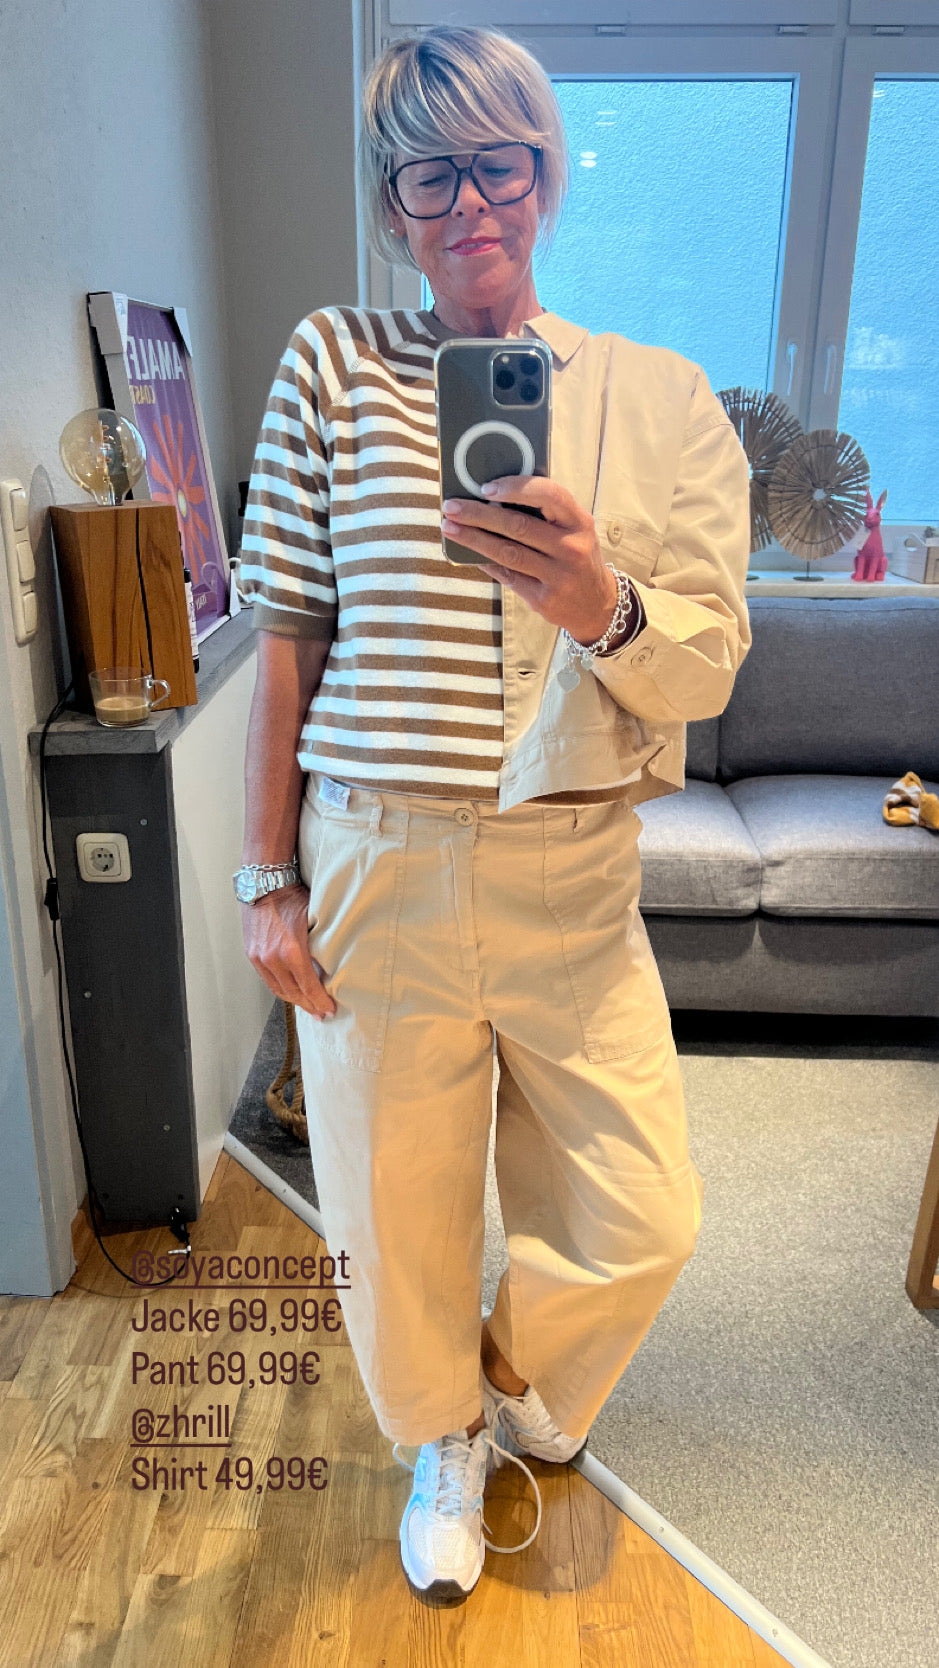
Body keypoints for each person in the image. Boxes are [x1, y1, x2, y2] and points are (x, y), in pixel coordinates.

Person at [235, 23, 751, 1608]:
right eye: (429, 174)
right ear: (392, 202)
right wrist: (264, 877)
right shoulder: (331, 361)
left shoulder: (662, 399)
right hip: (376, 856)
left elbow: (708, 663)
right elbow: (288, 636)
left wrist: (603, 605)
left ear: (546, 173)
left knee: (645, 1210)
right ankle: (444, 1438)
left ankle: (517, 1383)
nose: (470, 203)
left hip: (572, 868)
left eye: (498, 163)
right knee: (394, 1209)